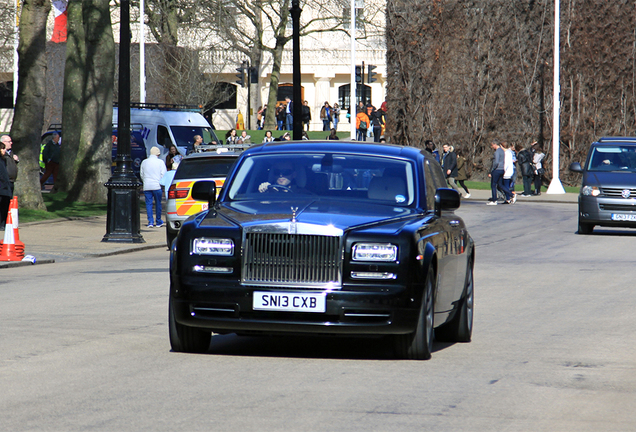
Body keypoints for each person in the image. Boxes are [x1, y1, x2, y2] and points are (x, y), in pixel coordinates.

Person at [140, 146, 167, 228]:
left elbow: (142, 174)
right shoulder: (160, 162)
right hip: (157, 185)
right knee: (158, 204)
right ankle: (158, 221)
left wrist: (145, 181)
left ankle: (150, 221)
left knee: (149, 204)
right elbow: (163, 174)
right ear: (158, 154)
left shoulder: (144, 162)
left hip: (147, 185)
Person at [487, 139, 512, 205]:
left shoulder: (497, 152)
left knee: (493, 185)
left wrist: (492, 169)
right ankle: (511, 194)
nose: (492, 147)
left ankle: (494, 200)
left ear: (495, 144)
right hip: (502, 170)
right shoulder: (502, 151)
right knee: (500, 184)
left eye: (492, 145)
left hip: (497, 170)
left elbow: (496, 162)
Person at [0, 141, 12, 230]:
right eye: (2, 148)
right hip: (2, 186)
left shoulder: (3, 159)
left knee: (5, 206)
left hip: (5, 186)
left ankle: (3, 223)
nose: (4, 151)